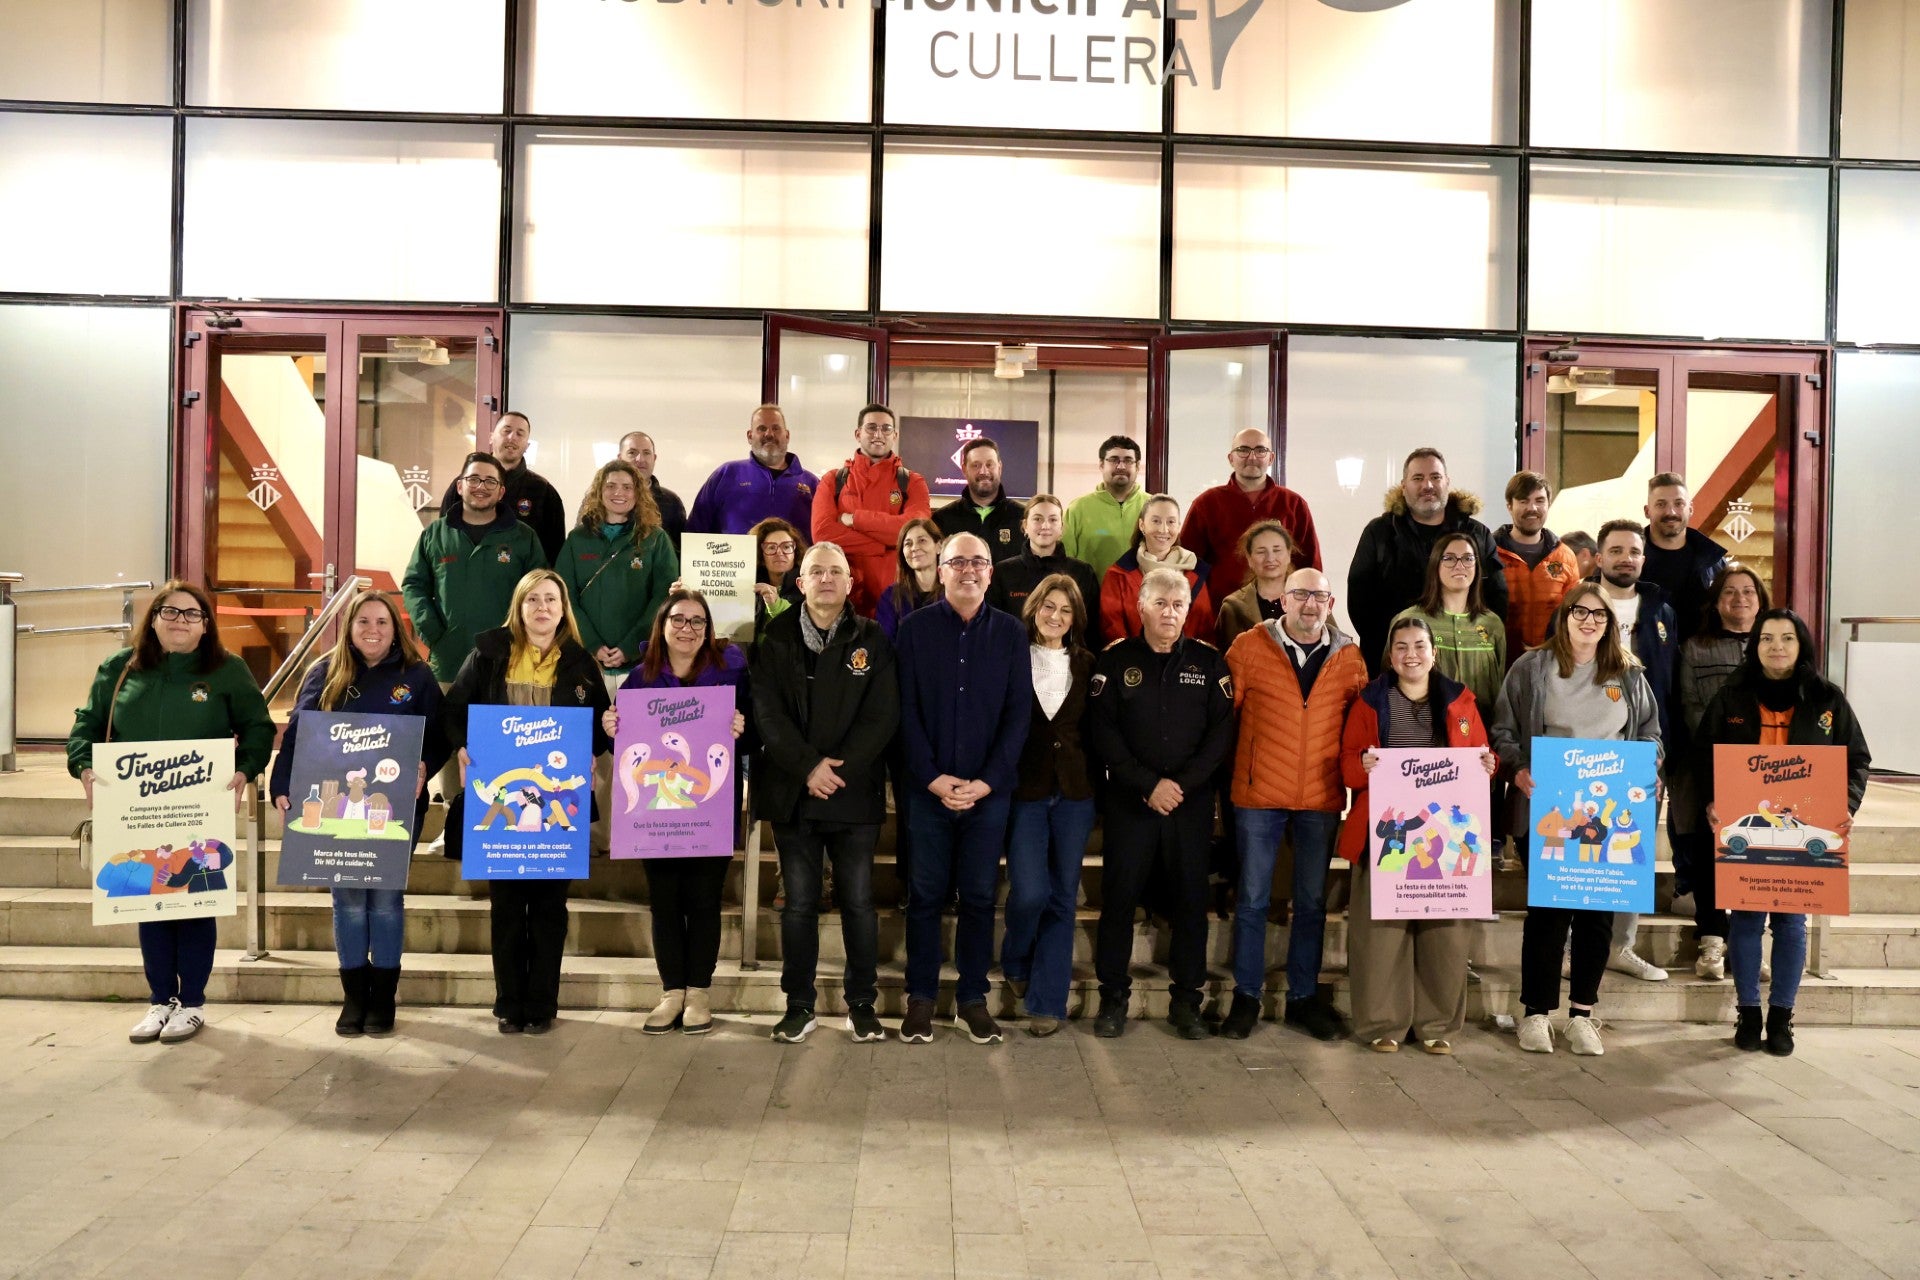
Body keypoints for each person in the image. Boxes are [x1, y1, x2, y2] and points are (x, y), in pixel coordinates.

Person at [68, 580, 276, 1045]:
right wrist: (83, 765)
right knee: (153, 904)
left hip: (199, 807)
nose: (180, 620)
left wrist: (244, 770)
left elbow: (258, 728)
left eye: (191, 614)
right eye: (170, 611)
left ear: (206, 626)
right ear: (154, 618)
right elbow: (87, 724)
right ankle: (161, 1000)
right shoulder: (119, 669)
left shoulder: (227, 670)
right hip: (139, 810)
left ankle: (194, 1003)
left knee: (195, 902)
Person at [1492, 584, 1661, 1057]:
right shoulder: (1531, 668)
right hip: (1549, 808)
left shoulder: (1627, 674)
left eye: (1599, 615)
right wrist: (1518, 768)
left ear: (1611, 625)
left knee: (1596, 917)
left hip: (1608, 814)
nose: (1589, 621)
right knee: (1547, 914)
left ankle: (1582, 1015)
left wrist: (1646, 764)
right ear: (1564, 616)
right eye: (1579, 612)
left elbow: (1650, 733)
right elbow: (1502, 730)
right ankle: (1536, 1014)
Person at [269, 589, 446, 1037]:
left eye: (382, 622)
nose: (373, 630)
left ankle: (383, 997)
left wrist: (427, 764)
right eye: (363, 621)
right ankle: (354, 996)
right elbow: (298, 734)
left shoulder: (417, 675)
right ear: (348, 627)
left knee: (385, 901)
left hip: (397, 808)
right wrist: (280, 785)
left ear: (395, 628)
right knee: (347, 900)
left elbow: (439, 732)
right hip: (334, 809)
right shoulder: (323, 672)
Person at [1695, 609, 1870, 1058]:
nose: (1777, 646)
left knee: (1792, 923)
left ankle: (1782, 1015)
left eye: (1787, 638)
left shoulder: (1827, 698)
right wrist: (1712, 803)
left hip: (1802, 830)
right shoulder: (1731, 696)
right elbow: (1703, 759)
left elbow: (1856, 760)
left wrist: (1844, 808)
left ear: (1801, 645)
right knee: (1748, 920)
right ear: (1754, 645)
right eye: (1767, 638)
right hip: (1752, 832)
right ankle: (1748, 1012)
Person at [444, 569, 612, 1034]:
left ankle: (542, 1003)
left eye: (551, 600)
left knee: (549, 910)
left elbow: (600, 726)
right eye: (533, 600)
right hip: (501, 808)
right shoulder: (488, 656)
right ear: (518, 607)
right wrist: (461, 747)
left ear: (563, 609)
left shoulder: (580, 662)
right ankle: (508, 1002)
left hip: (559, 808)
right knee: (506, 909)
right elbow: (454, 710)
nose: (542, 608)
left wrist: (604, 740)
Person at [752, 543, 897, 1044]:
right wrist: (808, 766)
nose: (828, 579)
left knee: (857, 902)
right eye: (818, 571)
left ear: (850, 581)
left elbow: (882, 715)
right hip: (795, 791)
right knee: (799, 905)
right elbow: (767, 713)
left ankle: (862, 1005)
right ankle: (799, 1005)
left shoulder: (872, 637)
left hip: (852, 793)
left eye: (837, 571)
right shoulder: (774, 635)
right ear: (801, 581)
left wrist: (837, 770)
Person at [895, 533, 1032, 1045]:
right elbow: (903, 711)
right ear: (941, 568)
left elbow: (1019, 716)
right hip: (927, 791)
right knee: (926, 897)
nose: (969, 570)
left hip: (987, 794)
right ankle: (921, 1000)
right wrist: (932, 778)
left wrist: (986, 782)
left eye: (979, 562)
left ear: (991, 573)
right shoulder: (913, 631)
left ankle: (973, 999)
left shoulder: (1011, 634)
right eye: (958, 562)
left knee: (977, 898)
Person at [1088, 569, 1236, 1040]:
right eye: (1161, 603)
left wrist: (1181, 786)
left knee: (1191, 903)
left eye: (1178, 605)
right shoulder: (1114, 661)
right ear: (1142, 607)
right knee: (1119, 902)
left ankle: (1187, 1003)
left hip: (1188, 806)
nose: (1170, 612)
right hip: (1130, 802)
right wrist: (1149, 784)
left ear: (1187, 611)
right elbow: (1102, 732)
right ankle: (1113, 999)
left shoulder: (1210, 664)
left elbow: (1220, 737)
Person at [1340, 617, 1499, 1053]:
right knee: (1381, 935)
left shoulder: (1461, 701)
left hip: (1444, 837)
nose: (1411, 654)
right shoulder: (1370, 702)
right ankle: (1382, 1025)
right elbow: (1347, 763)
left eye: (1419, 646)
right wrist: (1362, 766)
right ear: (1390, 656)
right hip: (1386, 835)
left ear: (1434, 652)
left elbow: (1481, 757)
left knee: (1444, 936)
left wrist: (1489, 765)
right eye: (1402, 647)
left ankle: (1437, 1026)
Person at [1222, 568, 1367, 1041]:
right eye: (1300, 594)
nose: (1310, 604)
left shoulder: (1350, 658)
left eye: (1319, 596)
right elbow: (1223, 720)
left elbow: (1364, 727)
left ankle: (1304, 998)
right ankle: (1246, 996)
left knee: (1309, 903)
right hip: (1258, 794)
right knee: (1252, 900)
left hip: (1321, 797)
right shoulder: (1247, 647)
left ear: (1330, 603)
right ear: (1281, 600)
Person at [609, 589, 751, 1036]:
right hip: (657, 813)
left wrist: (740, 727)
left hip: (710, 807)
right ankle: (672, 990)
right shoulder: (639, 679)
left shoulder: (729, 672)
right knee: (665, 900)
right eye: (679, 620)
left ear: (708, 630)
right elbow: (629, 748)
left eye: (697, 621)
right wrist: (612, 729)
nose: (687, 629)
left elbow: (750, 734)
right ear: (663, 625)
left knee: (704, 899)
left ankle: (700, 991)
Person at [1000, 575, 1096, 1037]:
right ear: (1034, 607)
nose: (1055, 616)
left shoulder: (1088, 664)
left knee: (1062, 896)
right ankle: (1015, 956)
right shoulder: (1011, 658)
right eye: (1048, 606)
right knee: (1031, 892)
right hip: (1025, 790)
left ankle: (1046, 1002)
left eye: (1065, 610)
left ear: (1075, 618)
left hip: (1075, 794)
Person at [1588, 518, 1680, 983]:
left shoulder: (1661, 609)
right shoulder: (1578, 605)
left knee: (1631, 852)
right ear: (1599, 557)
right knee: (1577, 850)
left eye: (1634, 551)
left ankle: (1620, 946)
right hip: (1582, 754)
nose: (1626, 558)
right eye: (1616, 550)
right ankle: (1574, 947)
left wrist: (1660, 751)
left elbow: (1671, 682)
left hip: (1642, 749)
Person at [1674, 563, 1769, 979]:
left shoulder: (1774, 642)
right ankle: (1712, 939)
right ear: (1716, 601)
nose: (1740, 599)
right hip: (1708, 763)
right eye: (1730, 592)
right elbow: (1692, 706)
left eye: (1748, 591)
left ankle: (1748, 944)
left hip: (1767, 770)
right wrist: (1724, 758)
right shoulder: (1697, 646)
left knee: (1757, 854)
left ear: (1760, 599)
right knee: (1710, 850)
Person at [1348, 447, 1509, 678]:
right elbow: (1360, 603)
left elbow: (1497, 597)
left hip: (1466, 663)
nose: (1428, 486)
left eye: (1435, 477)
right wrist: (1394, 648)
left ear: (1447, 482)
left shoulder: (1477, 535)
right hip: (1396, 664)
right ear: (1404, 485)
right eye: (1418, 478)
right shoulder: (1380, 533)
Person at [405, 452, 550, 686]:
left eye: (490, 481)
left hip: (509, 662)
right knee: (448, 722)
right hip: (449, 662)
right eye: (473, 479)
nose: (481, 486)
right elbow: (414, 585)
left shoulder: (524, 537)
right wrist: (432, 632)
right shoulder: (435, 534)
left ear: (501, 491)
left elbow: (540, 594)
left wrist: (525, 637)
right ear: (460, 486)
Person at [553, 459, 678, 685]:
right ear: (599, 492)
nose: (618, 492)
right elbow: (564, 594)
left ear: (638, 493)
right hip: (586, 661)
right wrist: (591, 643)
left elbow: (664, 596)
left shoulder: (656, 539)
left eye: (627, 487)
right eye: (610, 486)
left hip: (641, 664)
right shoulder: (577, 539)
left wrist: (631, 646)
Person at [810, 403, 933, 615]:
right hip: (844, 598)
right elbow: (822, 534)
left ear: (894, 435)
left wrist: (856, 519)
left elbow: (916, 531)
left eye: (886, 429)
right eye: (871, 427)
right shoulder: (833, 481)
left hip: (897, 599)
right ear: (858, 434)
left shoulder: (913, 482)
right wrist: (884, 545)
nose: (879, 434)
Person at [1180, 428, 1323, 590]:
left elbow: (1310, 564)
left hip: (1282, 607)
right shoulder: (1206, 503)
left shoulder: (1294, 504)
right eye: (1243, 450)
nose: (1252, 457)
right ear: (1231, 458)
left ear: (1271, 458)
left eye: (1261, 450)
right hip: (1220, 608)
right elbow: (1187, 561)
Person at [1390, 534, 1507, 712]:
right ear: (1435, 565)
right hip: (1425, 730)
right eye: (1449, 558)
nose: (1460, 565)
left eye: (1468, 558)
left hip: (1481, 734)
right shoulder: (1409, 620)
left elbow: (1500, 686)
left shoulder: (1492, 624)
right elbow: (1389, 681)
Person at [437, 412, 567, 563]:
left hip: (522, 583)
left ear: (527, 445)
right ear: (491, 437)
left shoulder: (543, 491)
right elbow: (443, 538)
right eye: (507, 431)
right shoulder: (465, 485)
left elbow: (554, 552)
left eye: (520, 434)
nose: (512, 437)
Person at [985, 494, 1104, 648]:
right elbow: (993, 627)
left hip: (1067, 664)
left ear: (1061, 527)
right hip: (1014, 661)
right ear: (1025, 526)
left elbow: (1091, 630)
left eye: (1053, 519)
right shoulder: (1002, 572)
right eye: (1038, 519)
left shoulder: (1082, 573)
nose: (1045, 525)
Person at [686, 404, 821, 536]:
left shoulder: (812, 484)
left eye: (776, 428)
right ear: (750, 436)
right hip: (735, 558)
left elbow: (823, 537)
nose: (769, 434)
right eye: (762, 428)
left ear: (787, 435)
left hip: (796, 559)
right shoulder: (726, 475)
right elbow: (695, 531)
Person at [1493, 471, 1582, 665]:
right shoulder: (1489, 553)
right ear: (1509, 506)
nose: (1532, 508)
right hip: (1498, 663)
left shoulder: (1565, 556)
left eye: (1539, 501)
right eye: (1523, 501)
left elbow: (1573, 614)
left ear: (1548, 504)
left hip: (1551, 664)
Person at [1101, 494, 1215, 641]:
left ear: (1179, 526)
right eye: (1156, 521)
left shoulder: (1196, 571)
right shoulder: (1118, 575)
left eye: (1171, 522)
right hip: (1133, 661)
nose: (1163, 529)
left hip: (1186, 661)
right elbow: (1112, 629)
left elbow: (1205, 629)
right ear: (1142, 525)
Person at [1642, 472, 1728, 645]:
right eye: (1661, 504)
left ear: (1690, 508)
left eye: (1679, 503)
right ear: (1647, 511)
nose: (1671, 512)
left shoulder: (1713, 561)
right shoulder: (1627, 561)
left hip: (1703, 662)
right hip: (1645, 664)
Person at [1062, 434, 1148, 577]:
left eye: (1128, 460)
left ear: (1138, 466)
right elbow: (1064, 562)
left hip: (1144, 598)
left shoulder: (1153, 507)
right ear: (1101, 465)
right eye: (1114, 460)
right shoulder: (1078, 508)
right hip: (1090, 597)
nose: (1121, 466)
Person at [933, 436, 1026, 558]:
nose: (984, 471)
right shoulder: (941, 519)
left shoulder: (1023, 517)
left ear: (1000, 467)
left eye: (989, 464)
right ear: (964, 469)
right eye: (976, 465)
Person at [1212, 521, 1295, 651]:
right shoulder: (1233, 607)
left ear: (1289, 554)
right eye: (1261, 552)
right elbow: (1224, 661)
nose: (1270, 558)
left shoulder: (1312, 598)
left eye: (1277, 550)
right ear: (1249, 559)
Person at [876, 517, 942, 641]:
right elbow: (884, 646)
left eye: (922, 540)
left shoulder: (954, 594)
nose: (914, 548)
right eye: (908, 543)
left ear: (938, 546)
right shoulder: (890, 597)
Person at [620, 430, 687, 552]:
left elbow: (682, 551)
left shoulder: (671, 502)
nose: (640, 459)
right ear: (620, 458)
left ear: (654, 458)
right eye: (632, 453)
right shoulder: (603, 498)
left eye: (646, 453)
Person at [749, 517, 806, 641]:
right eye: (771, 547)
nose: (779, 553)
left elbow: (807, 625)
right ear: (760, 555)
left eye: (786, 547)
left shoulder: (808, 585)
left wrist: (776, 605)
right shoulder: (748, 587)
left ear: (795, 553)